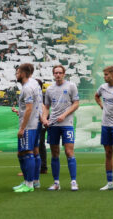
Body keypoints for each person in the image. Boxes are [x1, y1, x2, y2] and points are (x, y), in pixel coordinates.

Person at [43, 64, 80, 191]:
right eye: (56, 73)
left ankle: (73, 181)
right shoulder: (49, 89)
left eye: (60, 73)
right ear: (53, 74)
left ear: (64, 74)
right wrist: (44, 119)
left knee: (69, 152)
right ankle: (56, 183)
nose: (58, 75)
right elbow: (46, 107)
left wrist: (64, 115)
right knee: (55, 154)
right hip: (53, 125)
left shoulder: (71, 86)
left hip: (67, 124)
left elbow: (76, 104)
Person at [13, 63, 42, 193]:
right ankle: (33, 181)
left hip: (29, 126)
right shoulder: (34, 83)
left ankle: (28, 184)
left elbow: (29, 109)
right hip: (36, 123)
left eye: (18, 72)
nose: (16, 74)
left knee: (27, 152)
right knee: (32, 152)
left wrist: (22, 128)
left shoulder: (27, 88)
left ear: (24, 74)